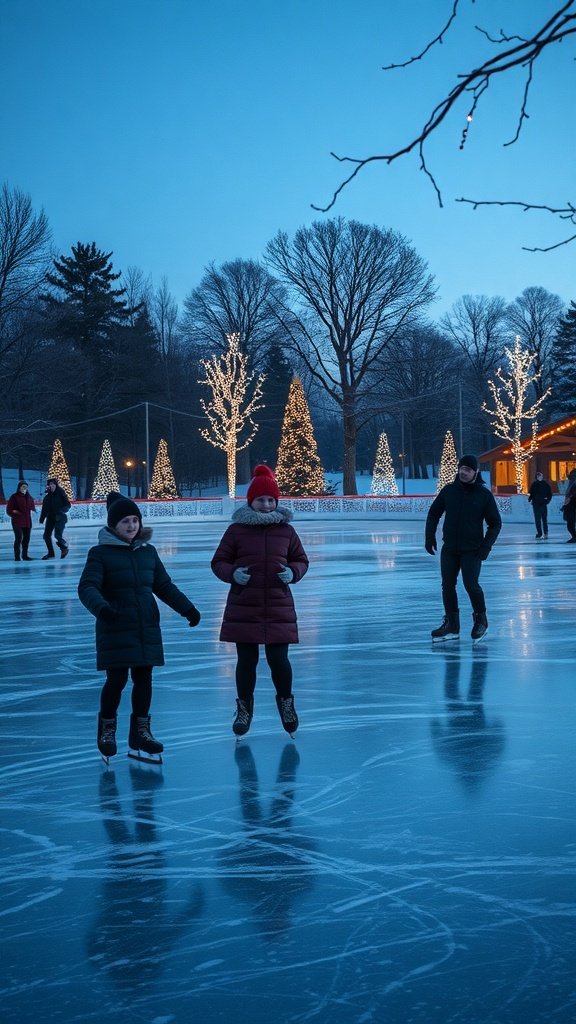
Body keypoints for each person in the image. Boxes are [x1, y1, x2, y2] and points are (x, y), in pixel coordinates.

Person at [78, 491, 201, 763]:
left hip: (146, 625)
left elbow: (164, 586)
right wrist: (102, 609)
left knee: (144, 679)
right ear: (113, 525)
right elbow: (87, 586)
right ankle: (107, 731)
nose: (132, 526)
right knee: (117, 680)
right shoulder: (100, 554)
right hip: (115, 625)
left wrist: (187, 608)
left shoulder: (148, 552)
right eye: (125, 522)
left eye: (135, 520)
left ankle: (141, 733)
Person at [211, 464, 309, 738]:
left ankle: (287, 704)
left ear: (276, 502)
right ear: (250, 501)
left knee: (279, 660)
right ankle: (244, 709)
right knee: (246, 660)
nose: (265, 505)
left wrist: (293, 572)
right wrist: (232, 573)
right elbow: (218, 561)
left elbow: (301, 560)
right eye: (260, 500)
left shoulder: (286, 531)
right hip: (245, 606)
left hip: (278, 605)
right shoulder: (236, 531)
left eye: (270, 500)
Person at [425, 454, 502, 642]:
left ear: (476, 472)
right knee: (447, 585)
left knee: (471, 585)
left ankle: (481, 620)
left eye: (468, 469)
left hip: (473, 550)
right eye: (461, 468)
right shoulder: (449, 491)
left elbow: (495, 523)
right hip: (450, 548)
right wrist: (429, 536)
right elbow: (434, 513)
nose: (463, 472)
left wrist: (486, 546)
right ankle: (452, 624)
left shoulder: (484, 495)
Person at [39, 478, 71, 559]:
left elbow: (68, 505)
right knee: (46, 536)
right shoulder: (47, 497)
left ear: (56, 485)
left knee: (57, 535)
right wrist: (42, 519)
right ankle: (51, 554)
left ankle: (64, 547)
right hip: (50, 518)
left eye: (53, 484)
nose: (51, 486)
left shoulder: (61, 493)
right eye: (50, 485)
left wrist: (61, 511)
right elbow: (44, 509)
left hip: (60, 517)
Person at [6, 480, 36, 561]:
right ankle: (17, 556)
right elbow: (9, 510)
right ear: (19, 488)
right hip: (17, 522)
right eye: (23, 487)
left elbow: (32, 508)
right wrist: (14, 513)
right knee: (18, 538)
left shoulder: (29, 498)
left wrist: (33, 511)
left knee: (26, 539)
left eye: (25, 487)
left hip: (27, 522)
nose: (24, 488)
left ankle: (25, 555)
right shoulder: (14, 497)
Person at [528, 470, 553, 539]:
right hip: (536, 504)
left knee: (544, 519)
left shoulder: (545, 484)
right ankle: (539, 533)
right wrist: (530, 499)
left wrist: (547, 500)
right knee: (537, 519)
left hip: (543, 504)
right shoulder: (534, 484)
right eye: (539, 476)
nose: (540, 477)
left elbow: (549, 494)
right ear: (537, 477)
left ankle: (545, 532)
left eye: (541, 476)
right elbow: (532, 493)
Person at [561, 468, 576, 543]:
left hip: (571, 507)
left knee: (570, 525)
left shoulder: (572, 484)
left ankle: (574, 537)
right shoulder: (571, 484)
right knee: (570, 525)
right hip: (570, 507)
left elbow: (569, 496)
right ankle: (574, 537)